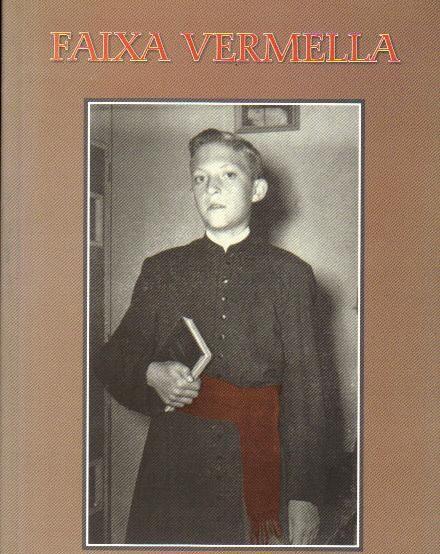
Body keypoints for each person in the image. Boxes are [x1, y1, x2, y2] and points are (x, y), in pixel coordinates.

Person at [94, 128, 326, 545]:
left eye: (228, 175)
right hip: (174, 465)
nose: (211, 188)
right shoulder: (163, 270)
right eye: (200, 178)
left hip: (263, 461)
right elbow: (110, 358)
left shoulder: (291, 275)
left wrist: (305, 494)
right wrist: (149, 372)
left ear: (257, 190)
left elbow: (307, 392)